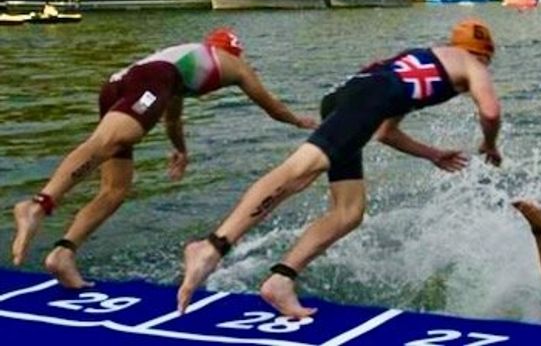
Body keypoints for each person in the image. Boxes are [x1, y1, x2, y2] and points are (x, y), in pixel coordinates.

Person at [176, 19, 502, 317]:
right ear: (483, 54)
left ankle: (281, 280)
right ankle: (211, 246)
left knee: (349, 211)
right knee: (298, 172)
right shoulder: (473, 64)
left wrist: (432, 154)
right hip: (368, 101)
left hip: (346, 96)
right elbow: (490, 111)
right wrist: (489, 144)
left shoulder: (425, 60)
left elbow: (384, 132)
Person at [10, 29, 315, 289]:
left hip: (118, 85)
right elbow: (271, 106)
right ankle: (39, 204)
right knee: (111, 139)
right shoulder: (233, 64)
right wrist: (297, 121)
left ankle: (63, 254)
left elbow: (172, 119)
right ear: (233, 51)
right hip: (148, 81)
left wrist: (181, 151)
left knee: (115, 189)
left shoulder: (182, 64)